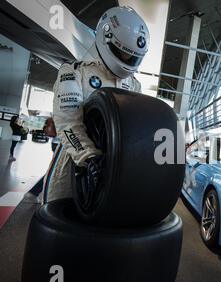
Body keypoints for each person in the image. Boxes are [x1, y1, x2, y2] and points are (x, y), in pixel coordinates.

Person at [42, 6, 149, 204]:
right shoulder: (73, 72)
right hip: (74, 164)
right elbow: (68, 122)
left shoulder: (134, 85)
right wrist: (89, 158)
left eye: (134, 57)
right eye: (125, 54)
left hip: (115, 169)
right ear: (105, 38)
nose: (129, 61)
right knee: (60, 225)